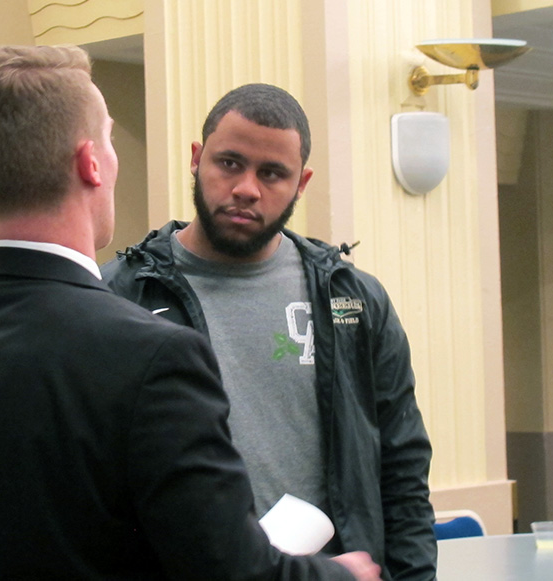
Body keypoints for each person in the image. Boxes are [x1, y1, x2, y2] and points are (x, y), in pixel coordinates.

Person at [0, 46, 381, 581]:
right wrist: (344, 576)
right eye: (111, 139)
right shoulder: (153, 356)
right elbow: (231, 572)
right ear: (91, 162)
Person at [102, 83, 437, 580]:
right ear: (197, 159)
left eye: (272, 173)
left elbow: (402, 468)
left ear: (301, 184)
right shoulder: (120, 296)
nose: (246, 189)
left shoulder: (352, 299)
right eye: (230, 163)